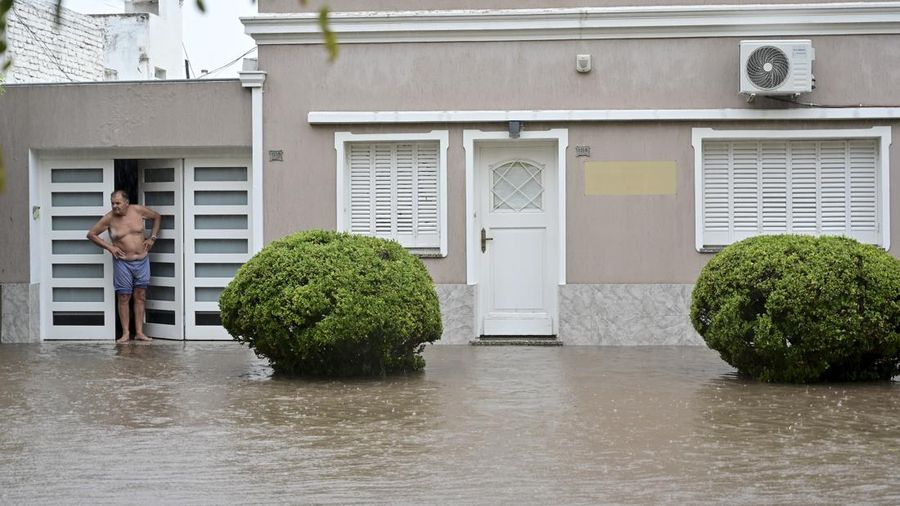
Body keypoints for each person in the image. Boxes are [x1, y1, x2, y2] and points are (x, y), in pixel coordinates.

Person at [87, 190, 161, 343]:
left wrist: (152, 238)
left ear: (126, 203)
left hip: (142, 260)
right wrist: (110, 247)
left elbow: (157, 217)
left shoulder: (138, 210)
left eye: (118, 203)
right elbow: (91, 234)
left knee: (140, 296)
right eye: (113, 203)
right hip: (123, 262)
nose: (115, 206)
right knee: (124, 296)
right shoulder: (109, 218)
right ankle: (126, 333)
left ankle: (139, 332)